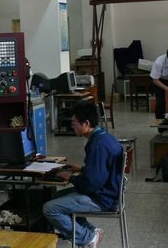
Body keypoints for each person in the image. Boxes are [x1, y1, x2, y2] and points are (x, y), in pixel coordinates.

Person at [42, 100, 123, 248]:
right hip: (109, 192)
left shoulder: (97, 144)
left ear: (86, 123)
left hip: (102, 199)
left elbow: (90, 184)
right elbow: (102, 170)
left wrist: (71, 177)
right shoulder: (104, 136)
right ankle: (92, 231)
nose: (72, 126)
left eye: (74, 123)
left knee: (50, 208)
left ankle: (88, 238)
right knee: (56, 197)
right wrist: (81, 169)